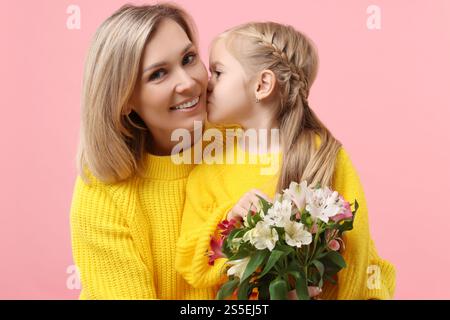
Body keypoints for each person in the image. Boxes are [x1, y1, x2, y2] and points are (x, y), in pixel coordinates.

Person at [176, 21, 396, 299]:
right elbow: (192, 266)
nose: (206, 84)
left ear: (262, 84)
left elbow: (360, 257)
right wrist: (230, 220)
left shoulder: (324, 157)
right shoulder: (208, 168)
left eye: (218, 72)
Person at [70, 3, 215, 299]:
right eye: (159, 74)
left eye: (189, 58)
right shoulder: (103, 194)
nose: (188, 83)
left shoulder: (244, 140)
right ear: (124, 99)